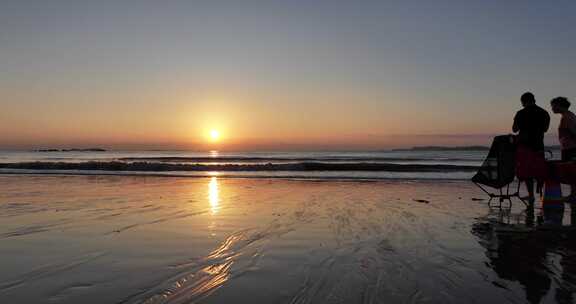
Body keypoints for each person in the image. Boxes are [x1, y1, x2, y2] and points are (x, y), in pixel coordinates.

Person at [513, 92, 550, 201]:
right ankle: (542, 194)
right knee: (538, 169)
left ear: (523, 101)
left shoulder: (520, 113)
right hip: (538, 145)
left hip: (524, 146)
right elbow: (545, 129)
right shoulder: (544, 113)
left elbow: (514, 129)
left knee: (526, 171)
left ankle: (531, 195)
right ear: (534, 100)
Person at [550, 96, 576, 201]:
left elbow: (574, 132)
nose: (552, 108)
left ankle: (573, 196)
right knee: (571, 172)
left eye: (553, 106)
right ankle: (572, 195)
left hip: (571, 148)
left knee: (572, 172)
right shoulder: (568, 116)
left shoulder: (567, 117)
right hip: (568, 148)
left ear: (560, 105)